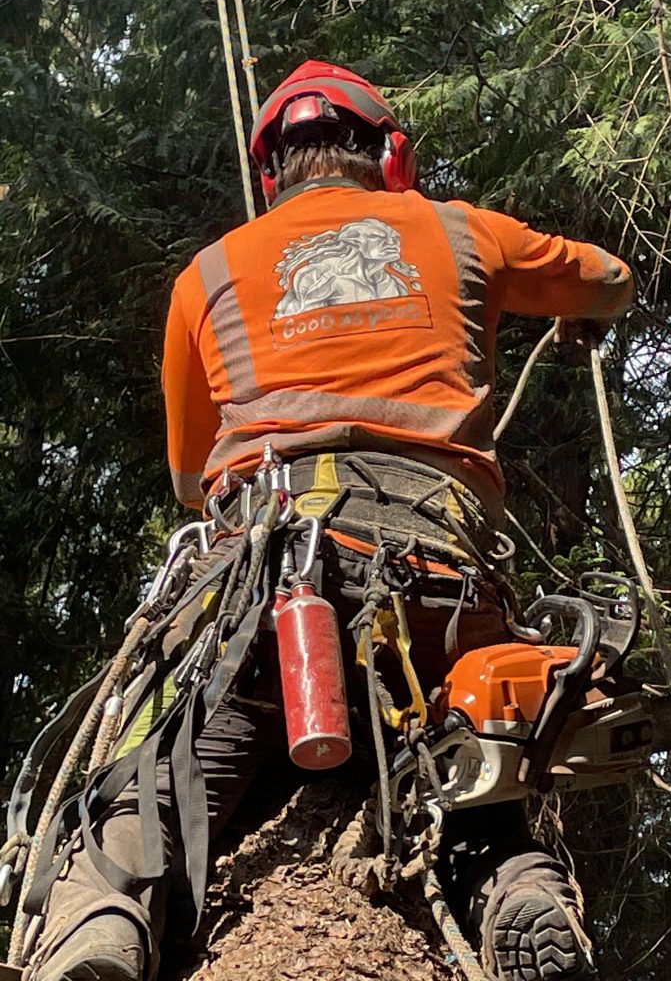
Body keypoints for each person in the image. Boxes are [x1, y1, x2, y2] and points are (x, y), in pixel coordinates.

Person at [27, 61, 633, 981]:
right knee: (475, 785)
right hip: (440, 583)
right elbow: (608, 278)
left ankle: (102, 930)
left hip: (268, 591)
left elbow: (192, 479)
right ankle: (522, 892)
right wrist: (584, 317)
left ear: (272, 175)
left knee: (145, 799)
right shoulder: (462, 232)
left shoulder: (210, 274)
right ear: (393, 158)